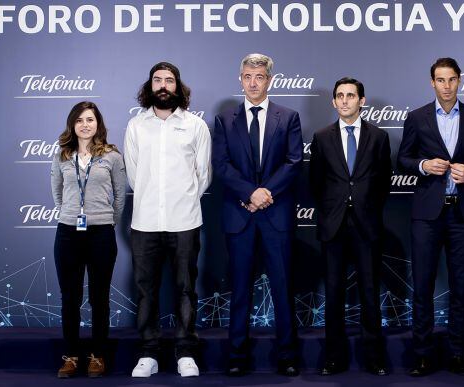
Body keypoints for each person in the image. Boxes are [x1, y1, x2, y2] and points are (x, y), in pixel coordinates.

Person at [397, 57, 464, 377]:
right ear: (432, 83)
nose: (446, 86)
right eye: (440, 80)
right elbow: (403, 159)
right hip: (427, 215)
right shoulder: (416, 117)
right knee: (423, 286)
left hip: (462, 213)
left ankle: (457, 353)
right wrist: (423, 166)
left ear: (459, 80)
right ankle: (423, 354)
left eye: (452, 79)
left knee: (459, 287)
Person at [212, 53, 302, 377]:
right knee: (240, 291)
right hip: (240, 215)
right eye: (247, 76)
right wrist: (250, 193)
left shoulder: (288, 117)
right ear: (240, 79)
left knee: (282, 289)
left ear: (270, 80)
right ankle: (237, 356)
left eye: (259, 77)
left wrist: (265, 193)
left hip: (276, 216)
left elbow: (293, 162)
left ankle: (288, 356)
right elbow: (221, 165)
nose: (253, 82)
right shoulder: (224, 119)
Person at [124, 62, 212, 378]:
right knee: (146, 290)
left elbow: (204, 175)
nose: (163, 85)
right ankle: (148, 353)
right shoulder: (136, 127)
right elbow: (134, 176)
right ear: (150, 86)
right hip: (145, 222)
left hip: (185, 221)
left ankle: (186, 352)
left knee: (186, 288)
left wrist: (182, 200)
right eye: (158, 80)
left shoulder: (195, 126)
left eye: (169, 80)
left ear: (178, 86)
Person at [310, 77, 392, 376]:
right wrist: (335, 208)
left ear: (362, 100)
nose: (345, 101)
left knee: (370, 292)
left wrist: (364, 207)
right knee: (333, 294)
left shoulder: (379, 137)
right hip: (333, 226)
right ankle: (334, 357)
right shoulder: (321, 137)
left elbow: (383, 182)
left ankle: (374, 357)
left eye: (351, 96)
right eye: (340, 96)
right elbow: (316, 183)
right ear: (333, 102)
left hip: (366, 226)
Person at [51, 101, 126, 378]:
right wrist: (71, 213)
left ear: (98, 124)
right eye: (80, 120)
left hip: (101, 234)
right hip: (68, 233)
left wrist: (104, 219)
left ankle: (98, 356)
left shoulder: (112, 156)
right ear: (73, 124)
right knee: (70, 298)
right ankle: (70, 356)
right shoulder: (62, 155)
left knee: (99, 298)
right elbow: (57, 193)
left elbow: (120, 197)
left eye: (90, 120)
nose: (85, 124)